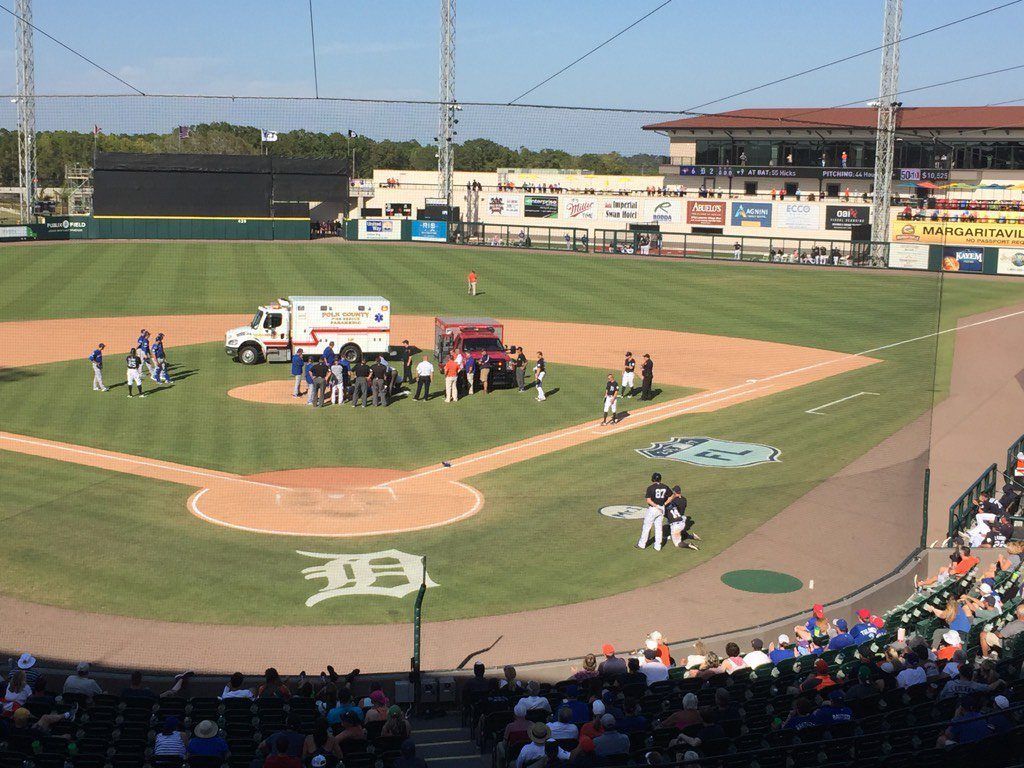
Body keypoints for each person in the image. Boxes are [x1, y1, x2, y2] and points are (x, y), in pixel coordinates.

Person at [638, 472, 671, 551]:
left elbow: (648, 500)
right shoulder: (665, 487)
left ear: (653, 479)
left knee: (647, 526)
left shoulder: (650, 488)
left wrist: (656, 506)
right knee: (658, 527)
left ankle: (642, 544)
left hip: (653, 509)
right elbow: (671, 496)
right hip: (662, 508)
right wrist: (665, 504)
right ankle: (658, 546)